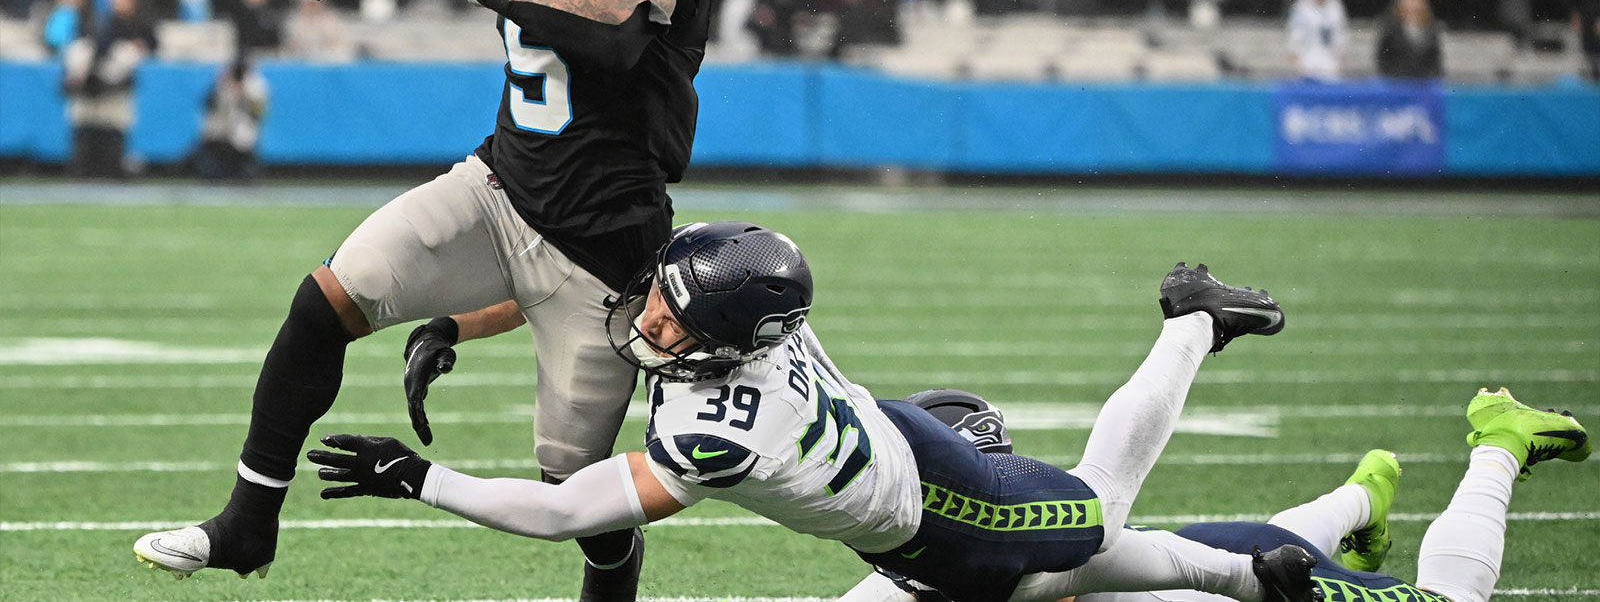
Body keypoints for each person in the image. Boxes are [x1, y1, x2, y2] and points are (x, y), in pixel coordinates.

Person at [133, 0, 734, 602]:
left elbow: (615, 30)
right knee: (326, 300)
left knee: (579, 496)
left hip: (602, 250)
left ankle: (610, 589)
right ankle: (246, 522)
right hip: (497, 188)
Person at [302, 221, 1321, 602]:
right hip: (891, 440)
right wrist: (460, 324)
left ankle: (1190, 326)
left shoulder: (725, 433)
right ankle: (1242, 575)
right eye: (663, 294)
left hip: (945, 516)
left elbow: (571, 513)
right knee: (1068, 569)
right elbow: (591, 292)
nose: (649, 317)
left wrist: (417, 478)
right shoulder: (743, 306)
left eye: (674, 315)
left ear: (737, 342)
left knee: (1093, 520)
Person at [843, 386, 1590, 602]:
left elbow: (1201, 565)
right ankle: (1365, 497)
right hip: (1196, 563)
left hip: (1211, 578)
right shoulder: (893, 571)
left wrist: (1274, 585)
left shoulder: (1050, 557)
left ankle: (1502, 441)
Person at [61, 0, 152, 177]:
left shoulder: (139, 24)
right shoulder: (88, 21)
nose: (117, 0)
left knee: (125, 55)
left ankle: (115, 163)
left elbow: (147, 46)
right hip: (88, 92)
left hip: (115, 95)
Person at [195, 53, 269, 181]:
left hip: (242, 130)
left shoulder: (256, 84)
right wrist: (221, 87)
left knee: (244, 139)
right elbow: (207, 104)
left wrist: (243, 97)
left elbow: (258, 113)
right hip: (220, 129)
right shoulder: (222, 80)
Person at [1286, 0, 1348, 81]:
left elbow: (1341, 33)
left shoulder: (1336, 7)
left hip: (1329, 62)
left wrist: (1340, 53)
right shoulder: (1302, 6)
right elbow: (1295, 33)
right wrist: (1295, 54)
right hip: (1307, 59)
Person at [1375, 0, 1442, 79]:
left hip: (1423, 85)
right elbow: (1383, 60)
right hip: (1397, 84)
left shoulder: (1430, 30)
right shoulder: (1390, 29)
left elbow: (1435, 62)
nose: (1412, 3)